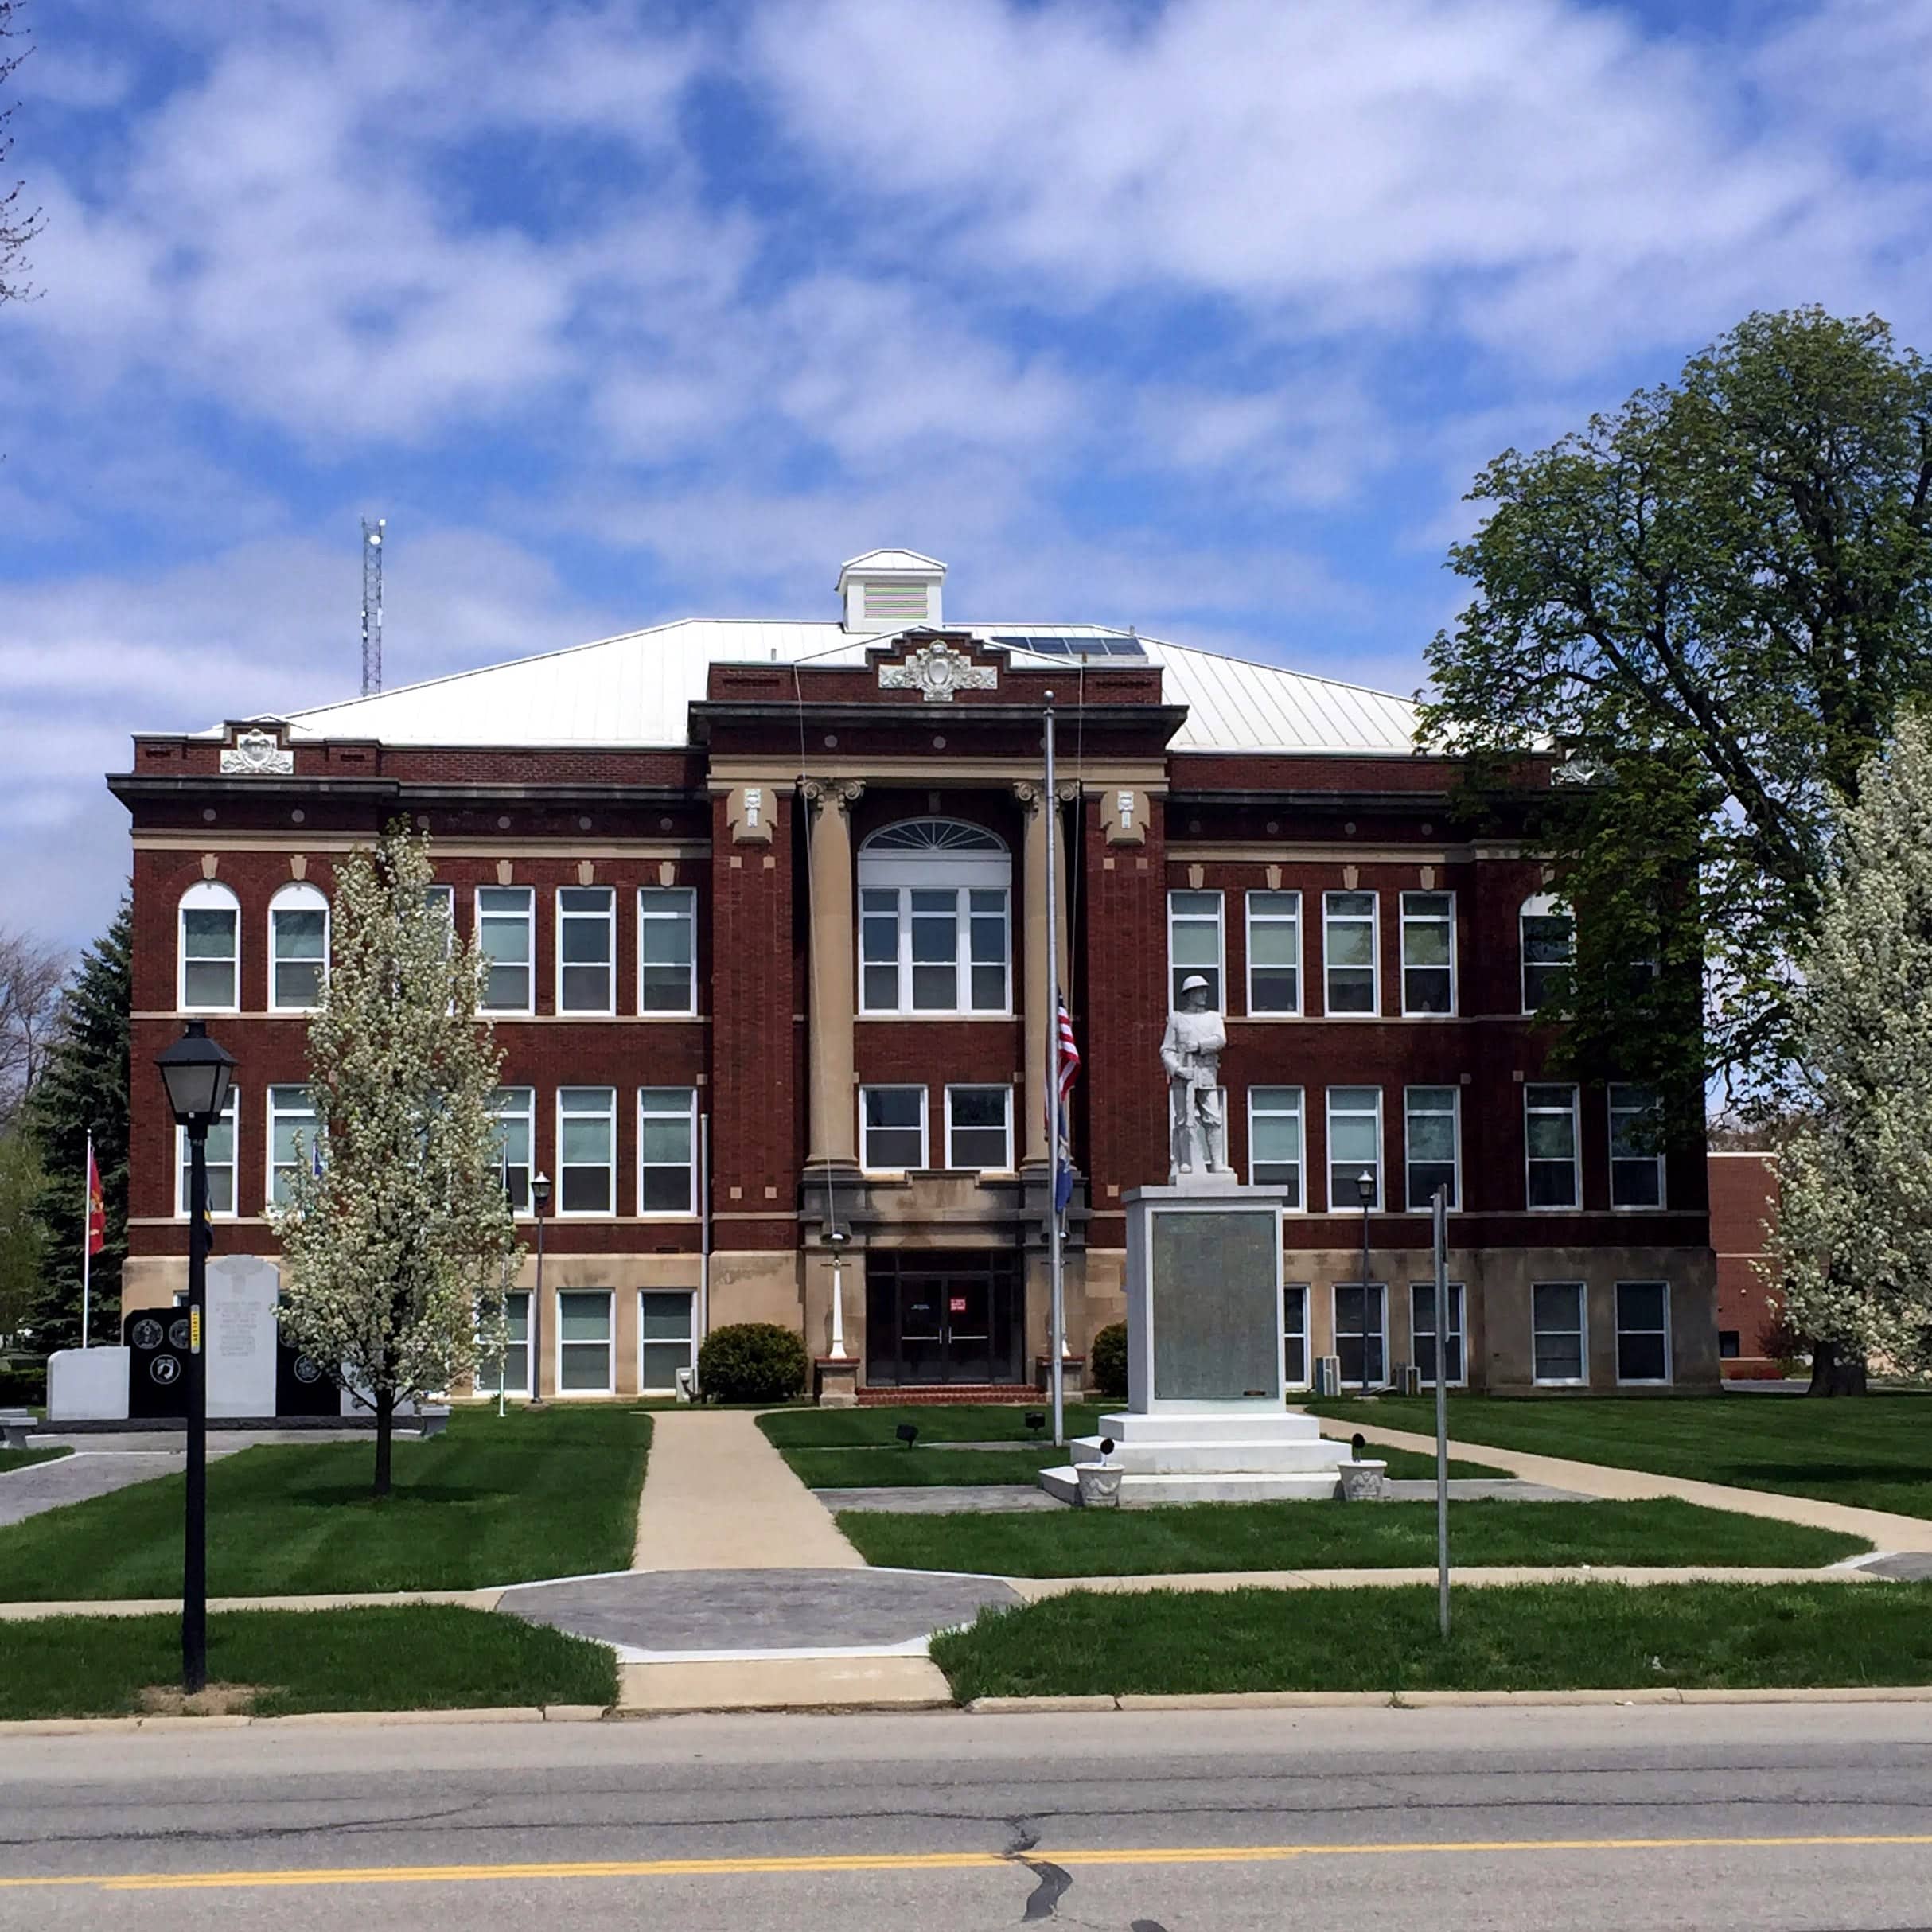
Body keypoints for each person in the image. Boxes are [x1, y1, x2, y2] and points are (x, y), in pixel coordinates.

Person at [1161, 974, 1228, 1177]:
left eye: (1204, 990)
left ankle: (1217, 1162)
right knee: (1184, 1120)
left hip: (1206, 1074)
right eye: (1199, 991)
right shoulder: (1177, 1019)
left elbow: (1220, 1040)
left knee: (1213, 1119)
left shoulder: (1214, 1017)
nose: (1204, 994)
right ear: (1189, 994)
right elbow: (1166, 1049)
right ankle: (1185, 1161)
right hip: (1184, 1077)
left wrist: (1199, 1046)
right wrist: (1177, 1069)